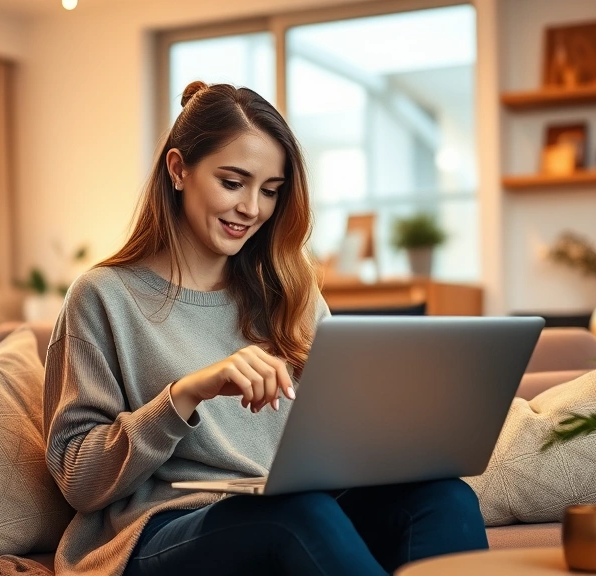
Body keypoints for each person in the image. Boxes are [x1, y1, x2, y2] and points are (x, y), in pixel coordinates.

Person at [43, 81, 488, 576]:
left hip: (294, 508)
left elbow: (339, 433)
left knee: (444, 498)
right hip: (158, 531)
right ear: (178, 170)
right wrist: (187, 393)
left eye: (270, 191)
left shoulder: (291, 292)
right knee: (297, 515)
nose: (252, 208)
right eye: (233, 183)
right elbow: (77, 478)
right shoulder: (103, 296)